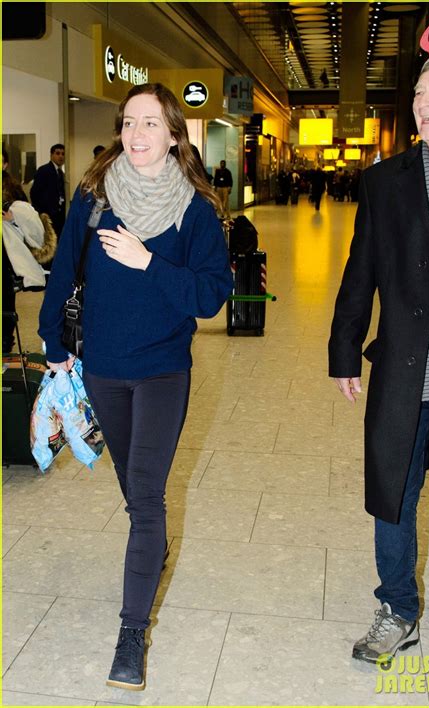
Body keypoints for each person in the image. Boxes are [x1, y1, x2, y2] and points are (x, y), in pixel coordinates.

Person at [38, 82, 233, 690]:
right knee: (132, 488)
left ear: (174, 135)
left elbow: (209, 296)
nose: (137, 135)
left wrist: (149, 262)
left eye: (151, 124)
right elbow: (62, 270)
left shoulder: (195, 211)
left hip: (163, 369)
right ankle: (154, 550)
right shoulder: (95, 196)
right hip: (102, 368)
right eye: (129, 123)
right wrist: (53, 347)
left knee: (146, 494)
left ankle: (130, 634)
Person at [329, 48, 429, 665]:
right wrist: (343, 352)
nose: (423, 103)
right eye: (419, 94)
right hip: (407, 362)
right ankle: (397, 606)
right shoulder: (386, 181)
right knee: (395, 483)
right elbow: (360, 273)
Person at [2, 170, 46, 351]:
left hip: (6, 257)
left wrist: (13, 219)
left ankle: (5, 344)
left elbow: (34, 228)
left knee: (5, 303)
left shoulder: (13, 195)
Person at [30, 143, 66, 238]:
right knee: (49, 241)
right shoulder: (44, 170)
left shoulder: (60, 173)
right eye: (57, 153)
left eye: (63, 154)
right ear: (51, 155)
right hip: (47, 214)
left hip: (59, 214)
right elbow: (34, 193)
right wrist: (42, 212)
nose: (61, 156)